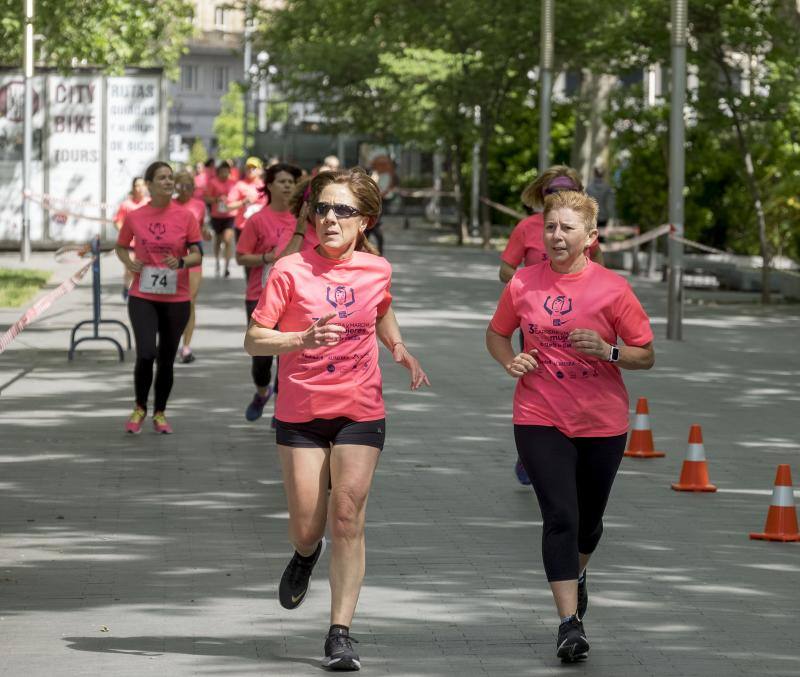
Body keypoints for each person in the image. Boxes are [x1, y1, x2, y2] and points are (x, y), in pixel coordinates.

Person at [244, 168, 429, 671]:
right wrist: (299, 340)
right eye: (323, 208)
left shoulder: (377, 269)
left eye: (343, 210)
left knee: (346, 513)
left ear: (364, 220)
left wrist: (398, 346)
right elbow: (254, 339)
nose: (329, 218)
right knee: (309, 527)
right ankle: (305, 557)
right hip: (301, 412)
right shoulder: (288, 270)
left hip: (360, 408)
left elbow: (381, 308)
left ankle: (340, 633)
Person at [485, 190, 654, 663]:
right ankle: (568, 623)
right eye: (551, 227)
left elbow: (646, 354)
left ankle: (578, 574)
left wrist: (608, 351)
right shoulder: (523, 283)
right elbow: (496, 333)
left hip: (602, 421)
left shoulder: (613, 289)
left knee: (589, 523)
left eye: (567, 228)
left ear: (590, 238)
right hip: (539, 415)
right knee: (560, 516)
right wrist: (510, 360)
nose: (556, 236)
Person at [499, 165, 605, 486]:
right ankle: (532, 451)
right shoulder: (528, 228)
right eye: (551, 194)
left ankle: (573, 444)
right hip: (536, 320)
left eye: (566, 193)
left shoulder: (580, 229)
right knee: (537, 380)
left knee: (576, 382)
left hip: (577, 319)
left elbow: (597, 266)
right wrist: (527, 285)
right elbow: (506, 269)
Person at [116, 162, 203, 434]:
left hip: (176, 298)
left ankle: (160, 413)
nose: (168, 181)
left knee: (166, 358)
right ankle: (140, 406)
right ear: (150, 184)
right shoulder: (135, 216)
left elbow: (198, 253)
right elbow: (120, 247)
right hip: (143, 295)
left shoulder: (186, 216)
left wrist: (181, 261)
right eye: (162, 178)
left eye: (170, 178)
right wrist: (129, 263)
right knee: (146, 353)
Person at [235, 162, 302, 421]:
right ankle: (262, 392)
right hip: (259, 294)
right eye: (282, 181)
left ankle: (281, 409)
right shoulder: (257, 220)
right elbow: (241, 257)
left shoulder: (304, 221)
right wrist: (268, 258)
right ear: (270, 186)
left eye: (291, 182)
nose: (287, 186)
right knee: (262, 358)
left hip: (293, 299)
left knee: (287, 356)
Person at [173, 171, 210, 364]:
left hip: (193, 259)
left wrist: (205, 233)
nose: (185, 190)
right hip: (172, 259)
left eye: (189, 187)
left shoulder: (199, 206)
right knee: (171, 303)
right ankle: (169, 341)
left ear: (194, 189)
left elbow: (200, 229)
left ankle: (186, 347)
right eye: (181, 186)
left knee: (189, 301)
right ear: (175, 187)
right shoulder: (169, 205)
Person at [114, 177, 150, 299]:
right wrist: (124, 233)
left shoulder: (150, 203)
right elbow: (118, 221)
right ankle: (127, 288)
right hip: (130, 244)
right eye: (137, 186)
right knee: (131, 269)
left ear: (146, 187)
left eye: (142, 185)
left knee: (144, 269)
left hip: (146, 244)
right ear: (133, 188)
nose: (140, 188)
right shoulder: (126, 205)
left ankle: (141, 293)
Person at [205, 161, 238, 278]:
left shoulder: (233, 183)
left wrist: (232, 203)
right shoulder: (212, 183)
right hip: (216, 216)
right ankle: (218, 261)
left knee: (228, 240)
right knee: (218, 241)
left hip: (230, 216)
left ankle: (227, 266)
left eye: (227, 171)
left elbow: (237, 198)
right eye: (222, 171)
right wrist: (216, 200)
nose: (224, 173)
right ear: (218, 172)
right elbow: (207, 198)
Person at [230, 156, 267, 240]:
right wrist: (243, 202)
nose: (250, 170)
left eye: (254, 168)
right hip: (242, 227)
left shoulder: (266, 187)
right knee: (242, 253)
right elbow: (228, 206)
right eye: (248, 168)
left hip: (261, 228)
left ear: (260, 170)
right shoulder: (239, 185)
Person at [585, 166, 616, 235]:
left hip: (592, 217)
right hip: (603, 217)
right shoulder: (607, 188)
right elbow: (610, 205)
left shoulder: (589, 188)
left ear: (594, 174)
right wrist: (611, 218)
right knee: (601, 239)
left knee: (592, 239)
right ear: (603, 175)